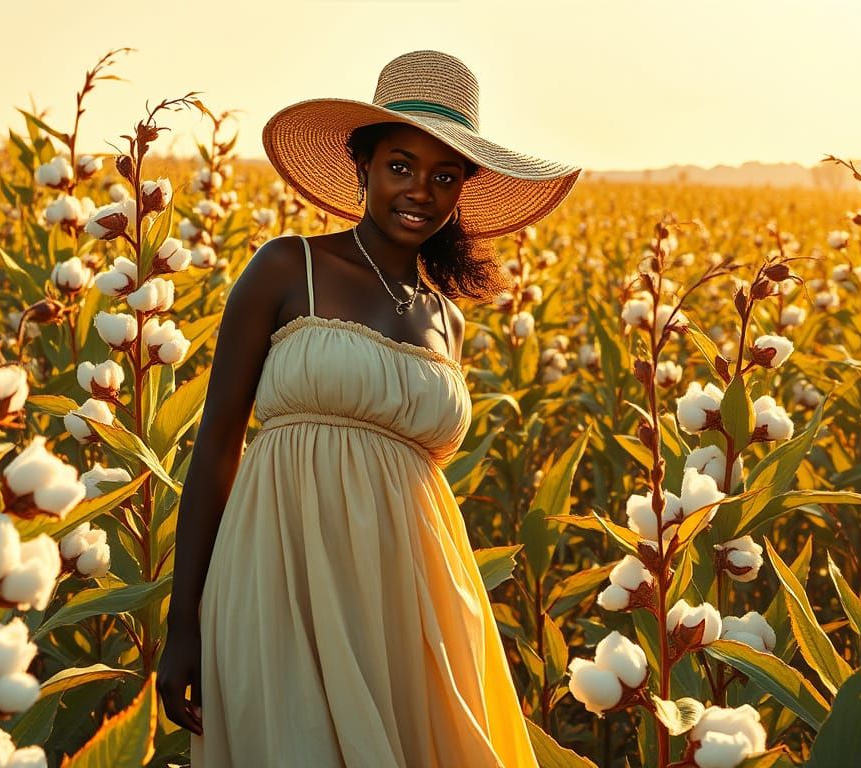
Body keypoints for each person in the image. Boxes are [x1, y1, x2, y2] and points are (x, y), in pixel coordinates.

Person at [157, 49, 580, 767]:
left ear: (461, 192)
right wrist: (184, 626)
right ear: (362, 165)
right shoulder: (287, 269)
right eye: (401, 166)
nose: (421, 190)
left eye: (445, 175)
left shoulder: (447, 319)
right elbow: (216, 446)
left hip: (412, 595)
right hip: (280, 569)